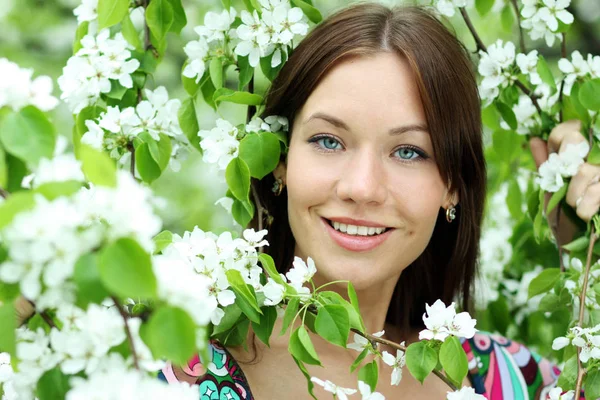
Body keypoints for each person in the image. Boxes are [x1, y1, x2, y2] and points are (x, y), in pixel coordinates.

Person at [14, 2, 598, 399]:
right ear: (282, 163)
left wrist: (588, 233)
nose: (361, 187)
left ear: (453, 184)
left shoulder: (503, 378)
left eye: (409, 152)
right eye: (327, 140)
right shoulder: (165, 369)